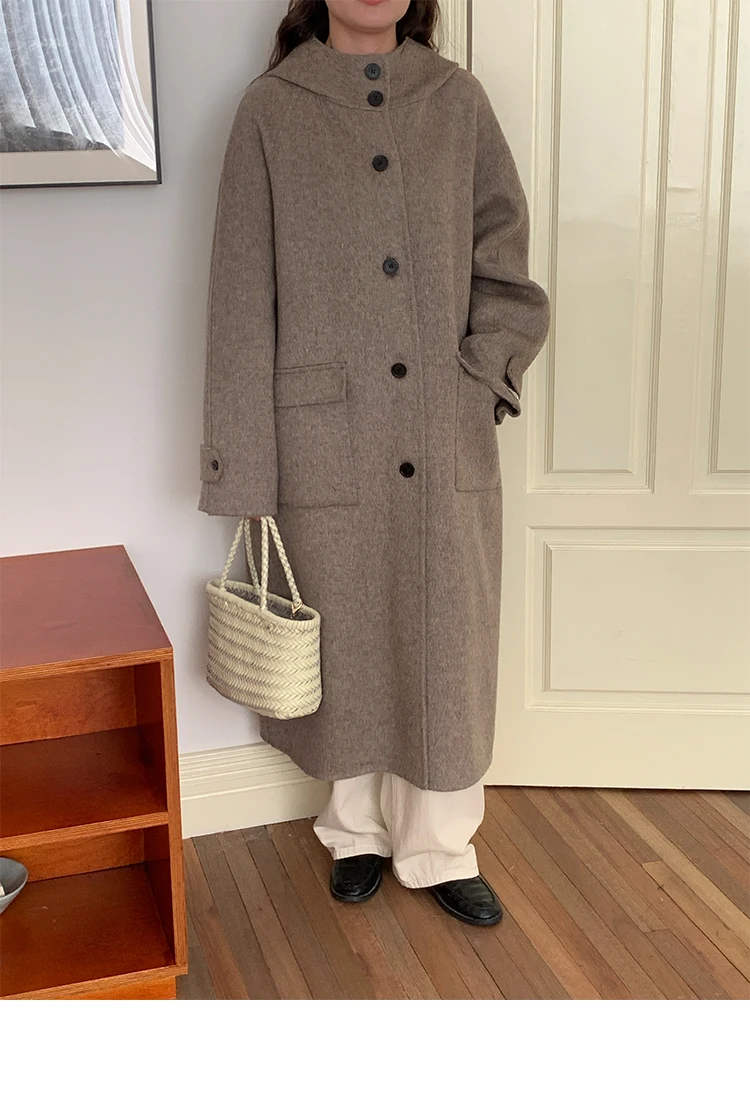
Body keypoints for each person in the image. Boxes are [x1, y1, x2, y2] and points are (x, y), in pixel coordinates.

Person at [198, 0, 550, 927]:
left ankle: (441, 846)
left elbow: (505, 261)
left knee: (445, 638)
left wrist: (483, 377)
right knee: (345, 632)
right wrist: (245, 465)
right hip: (323, 436)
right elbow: (241, 298)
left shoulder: (457, 102)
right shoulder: (271, 110)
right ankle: (353, 831)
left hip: (442, 430)